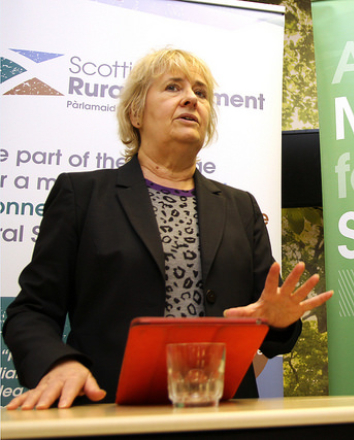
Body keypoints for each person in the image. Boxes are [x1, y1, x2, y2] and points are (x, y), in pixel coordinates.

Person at [3, 48, 332, 410]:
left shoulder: (241, 208)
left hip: (225, 417)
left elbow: (270, 332)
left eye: (201, 93)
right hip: (111, 413)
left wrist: (281, 323)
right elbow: (32, 310)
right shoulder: (82, 196)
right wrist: (57, 362)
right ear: (135, 114)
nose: (191, 98)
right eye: (173, 87)